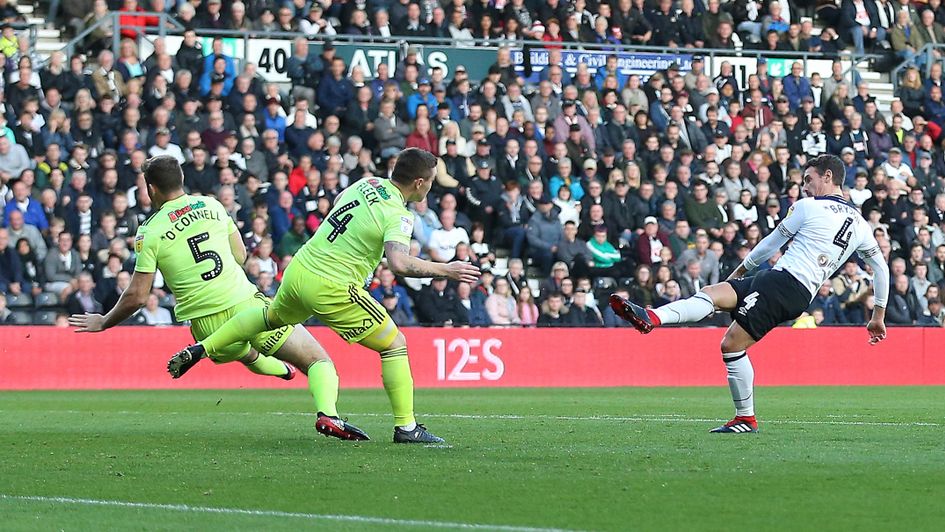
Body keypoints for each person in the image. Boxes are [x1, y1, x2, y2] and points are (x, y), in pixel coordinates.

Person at [170, 149, 480, 444]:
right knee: (394, 344)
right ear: (419, 183)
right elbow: (400, 263)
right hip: (332, 284)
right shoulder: (399, 214)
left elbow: (342, 205)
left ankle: (202, 347)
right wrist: (447, 270)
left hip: (300, 269)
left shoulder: (366, 183)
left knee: (270, 317)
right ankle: (407, 427)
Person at [68, 155, 370, 442]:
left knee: (246, 355)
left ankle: (282, 370)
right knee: (317, 360)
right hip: (245, 305)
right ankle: (328, 414)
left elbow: (136, 296)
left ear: (151, 188)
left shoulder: (150, 231)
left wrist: (105, 321)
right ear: (181, 180)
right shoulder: (211, 206)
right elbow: (240, 255)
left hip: (204, 325)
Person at [610, 155, 889, 433]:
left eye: (808, 180)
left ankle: (746, 418)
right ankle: (651, 317)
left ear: (828, 176)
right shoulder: (861, 225)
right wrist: (878, 315)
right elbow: (881, 268)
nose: (804, 187)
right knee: (711, 294)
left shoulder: (808, 207)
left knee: (731, 345)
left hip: (785, 285)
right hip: (783, 283)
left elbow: (771, 243)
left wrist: (742, 269)